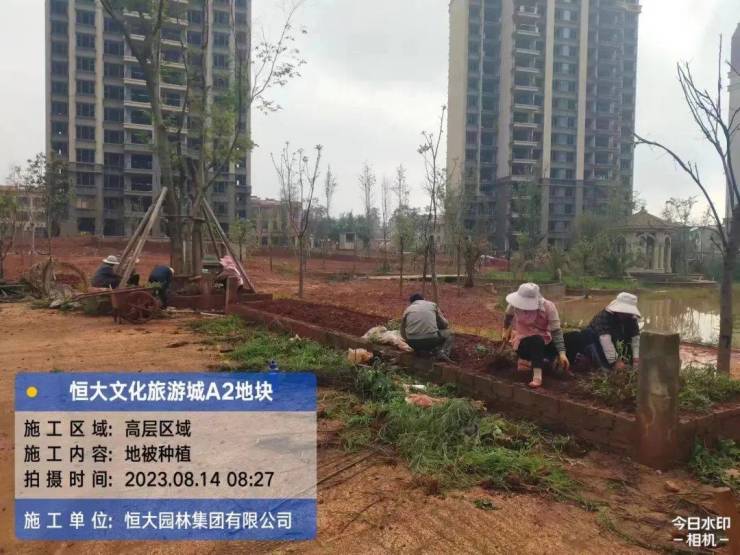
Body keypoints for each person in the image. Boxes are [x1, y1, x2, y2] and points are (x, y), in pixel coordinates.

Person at [502, 283, 570, 389]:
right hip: (524, 343)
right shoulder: (515, 304)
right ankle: (537, 375)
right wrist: (505, 330)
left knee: (572, 337)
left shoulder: (548, 307)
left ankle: (552, 363)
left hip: (545, 340)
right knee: (536, 340)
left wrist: (562, 353)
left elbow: (556, 331)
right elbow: (508, 316)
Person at [582, 292, 641, 370]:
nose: (625, 315)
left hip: (615, 340)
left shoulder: (631, 318)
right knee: (588, 334)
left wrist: (636, 359)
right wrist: (615, 361)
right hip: (597, 342)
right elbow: (605, 339)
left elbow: (635, 338)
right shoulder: (604, 316)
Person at [400, 293, 454, 361]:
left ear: (411, 302)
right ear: (423, 299)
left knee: (425, 338)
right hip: (431, 340)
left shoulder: (408, 309)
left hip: (412, 343)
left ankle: (422, 351)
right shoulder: (432, 305)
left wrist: (409, 339)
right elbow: (444, 324)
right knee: (450, 333)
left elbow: (402, 331)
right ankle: (443, 353)